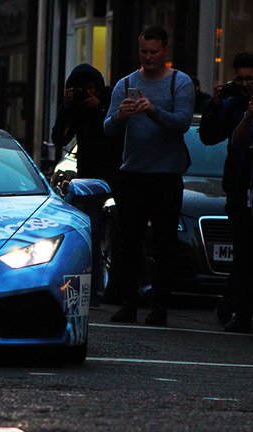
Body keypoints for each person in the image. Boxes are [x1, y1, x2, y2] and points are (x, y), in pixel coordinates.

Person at [103, 25, 195, 326]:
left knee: (166, 240)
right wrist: (121, 115)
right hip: (133, 173)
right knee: (130, 240)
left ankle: (161, 305)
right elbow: (108, 129)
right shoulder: (125, 83)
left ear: (165, 51)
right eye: (144, 51)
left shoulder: (179, 83)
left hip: (166, 175)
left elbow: (182, 123)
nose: (148, 57)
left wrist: (152, 110)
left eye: (154, 52)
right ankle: (129, 301)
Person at [51, 63, 124, 306]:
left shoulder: (111, 102)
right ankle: (92, 293)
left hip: (116, 178)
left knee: (124, 233)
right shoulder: (76, 110)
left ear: (99, 88)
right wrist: (67, 107)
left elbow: (118, 132)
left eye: (90, 89)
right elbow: (59, 139)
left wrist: (100, 108)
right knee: (90, 236)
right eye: (80, 90)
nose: (87, 94)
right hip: (88, 181)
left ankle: (131, 288)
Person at [199, 52, 253, 333]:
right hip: (239, 189)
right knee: (243, 253)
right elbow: (210, 136)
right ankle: (240, 310)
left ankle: (235, 305)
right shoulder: (234, 105)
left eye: (249, 79)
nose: (244, 85)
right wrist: (215, 104)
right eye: (240, 79)